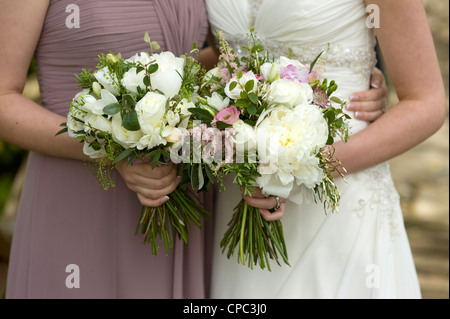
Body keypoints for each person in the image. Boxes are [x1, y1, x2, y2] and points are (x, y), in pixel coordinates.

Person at [0, 0, 388, 298]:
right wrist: (106, 148)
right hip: (79, 193)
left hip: (183, 200)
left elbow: (214, 59)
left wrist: (319, 92)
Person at [205, 0, 446, 299]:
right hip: (239, 193)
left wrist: (298, 167)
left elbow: (426, 103)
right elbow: (222, 57)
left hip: (338, 194)